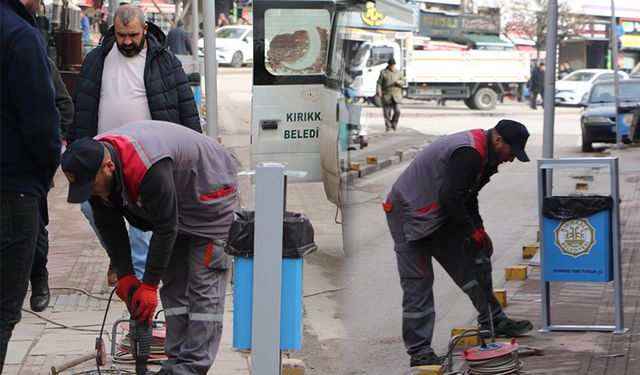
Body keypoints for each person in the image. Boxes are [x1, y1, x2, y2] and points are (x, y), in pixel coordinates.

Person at [61, 121, 238, 374]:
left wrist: (149, 284)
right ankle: (175, 363)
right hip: (174, 199)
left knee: (202, 287)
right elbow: (109, 224)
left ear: (108, 167)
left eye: (91, 186)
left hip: (209, 194)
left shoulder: (145, 166)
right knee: (175, 286)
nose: (91, 192)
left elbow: (166, 228)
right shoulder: (93, 163)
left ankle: (191, 368)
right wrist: (126, 275)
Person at [68, 4, 201, 285]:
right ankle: (122, 260)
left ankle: (140, 280)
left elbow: (185, 107)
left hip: (147, 160)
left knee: (143, 217)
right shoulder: (97, 59)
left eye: (132, 35)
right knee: (91, 208)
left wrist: (194, 151)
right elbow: (84, 104)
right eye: (120, 35)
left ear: (144, 30)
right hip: (101, 158)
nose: (126, 41)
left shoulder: (164, 60)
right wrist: (77, 143)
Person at [383, 120, 534, 367]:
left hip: (438, 212)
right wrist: (470, 230)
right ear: (498, 140)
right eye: (511, 152)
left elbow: (467, 195)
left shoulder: (485, 156)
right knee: (418, 284)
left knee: (469, 264)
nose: (511, 159)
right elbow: (452, 198)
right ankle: (419, 351)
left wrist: (478, 231)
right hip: (410, 215)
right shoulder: (470, 153)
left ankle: (493, 320)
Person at [0, 0, 62, 369]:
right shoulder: (19, 35)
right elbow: (42, 118)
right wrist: (41, 174)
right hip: (11, 188)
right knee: (3, 311)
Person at [28, 55, 75, 313]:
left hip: (28, 163)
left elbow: (65, 107)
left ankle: (39, 278)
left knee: (33, 225)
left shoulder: (37, 59)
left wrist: (47, 150)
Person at [377, 58, 403, 132]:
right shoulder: (383, 73)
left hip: (396, 96)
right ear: (388, 65)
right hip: (386, 95)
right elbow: (379, 83)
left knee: (397, 111)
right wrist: (379, 91)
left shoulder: (398, 73)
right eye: (391, 65)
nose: (392, 67)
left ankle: (394, 124)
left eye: (393, 65)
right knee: (387, 113)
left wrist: (400, 82)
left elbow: (404, 82)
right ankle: (388, 126)